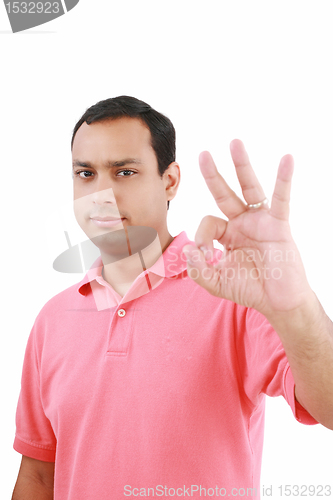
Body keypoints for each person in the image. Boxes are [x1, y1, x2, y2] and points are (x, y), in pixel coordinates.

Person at [11, 96, 333, 500]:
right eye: (86, 173)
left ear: (170, 181)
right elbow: (39, 476)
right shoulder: (53, 320)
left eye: (124, 171)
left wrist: (298, 307)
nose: (102, 195)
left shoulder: (236, 291)